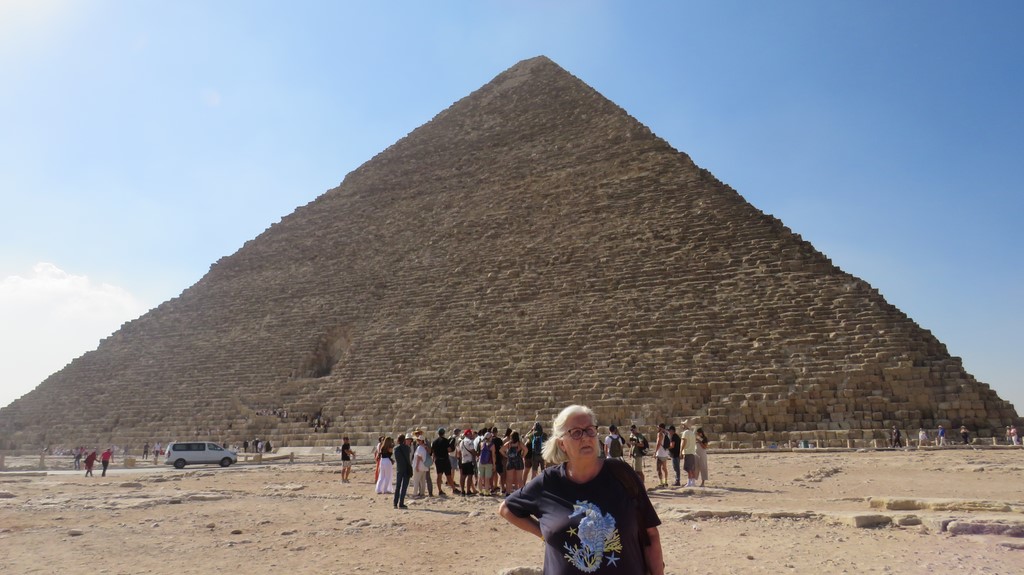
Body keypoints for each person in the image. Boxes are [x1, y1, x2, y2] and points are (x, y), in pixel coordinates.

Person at [498, 404, 665, 575]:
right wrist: (543, 533)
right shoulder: (548, 482)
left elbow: (651, 535)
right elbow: (506, 508)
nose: (585, 437)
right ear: (562, 444)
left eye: (590, 430)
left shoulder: (622, 475)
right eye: (576, 432)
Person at [432, 428, 457, 496]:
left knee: (439, 475)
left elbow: (433, 452)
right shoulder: (445, 440)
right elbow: (449, 450)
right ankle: (454, 489)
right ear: (443, 433)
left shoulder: (434, 442)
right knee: (448, 475)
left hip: (438, 460)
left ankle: (440, 490)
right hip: (445, 460)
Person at [393, 434, 413, 509]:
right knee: (404, 487)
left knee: (398, 486)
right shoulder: (407, 448)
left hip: (399, 469)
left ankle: (395, 503)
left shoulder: (396, 448)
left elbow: (396, 459)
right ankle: (401, 503)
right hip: (406, 469)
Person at [458, 429, 478, 496]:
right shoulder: (470, 442)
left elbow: (459, 452)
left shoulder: (461, 442)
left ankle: (462, 491)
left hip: (463, 460)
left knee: (463, 476)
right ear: (468, 434)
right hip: (469, 460)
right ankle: (468, 491)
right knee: (469, 476)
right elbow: (472, 451)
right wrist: (477, 454)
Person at [680, 420, 697, 487]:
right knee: (692, 467)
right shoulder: (692, 433)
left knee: (688, 468)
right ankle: (693, 481)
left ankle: (689, 482)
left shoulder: (685, 433)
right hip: (692, 452)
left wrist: (681, 451)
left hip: (687, 452)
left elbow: (683, 442)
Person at [654, 423, 670, 487]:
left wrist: (655, 452)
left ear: (660, 428)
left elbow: (658, 443)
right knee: (664, 468)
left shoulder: (660, 434)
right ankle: (665, 482)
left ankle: (661, 483)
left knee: (658, 468)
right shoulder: (666, 433)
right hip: (665, 453)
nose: (657, 428)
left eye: (658, 427)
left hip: (660, 453)